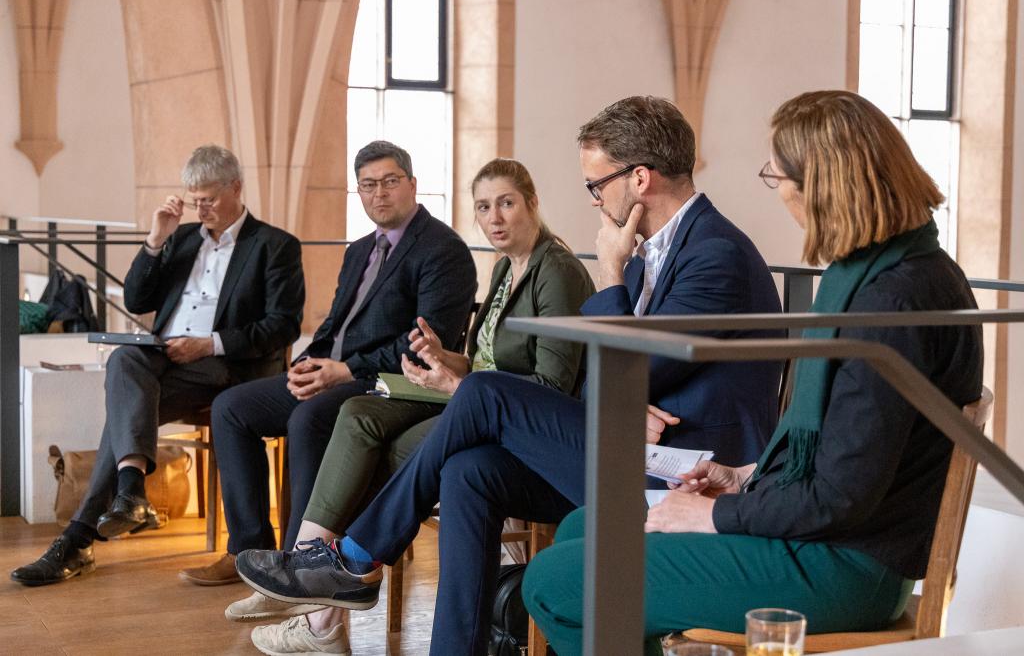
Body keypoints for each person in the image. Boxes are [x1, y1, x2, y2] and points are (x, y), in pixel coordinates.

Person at [233, 96, 784, 655]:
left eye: (596, 185)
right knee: (469, 472)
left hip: (691, 474)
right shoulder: (649, 254)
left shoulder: (712, 253)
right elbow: (605, 380)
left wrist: (612, 276)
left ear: (638, 179)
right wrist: (621, 393)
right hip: (632, 450)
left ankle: (356, 557)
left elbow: (626, 371)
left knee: (483, 391)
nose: (594, 199)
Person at [520, 90, 986, 655]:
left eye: (779, 177)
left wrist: (719, 514)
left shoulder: (896, 302)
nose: (782, 193)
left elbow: (840, 498)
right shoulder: (887, 275)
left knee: (553, 579)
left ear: (824, 185)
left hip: (845, 567)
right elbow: (843, 453)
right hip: (833, 541)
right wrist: (742, 476)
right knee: (578, 530)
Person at [234, 157, 596, 654]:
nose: (495, 217)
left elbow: (548, 386)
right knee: (358, 413)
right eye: (484, 207)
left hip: (522, 429)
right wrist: (448, 360)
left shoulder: (556, 271)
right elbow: (488, 363)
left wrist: (459, 385)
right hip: (478, 403)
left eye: (507, 203)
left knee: (386, 448)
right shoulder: (505, 270)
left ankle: (330, 581)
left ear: (532, 203)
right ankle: (313, 567)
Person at [178, 140, 477, 585]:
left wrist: (345, 371)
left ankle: (298, 562)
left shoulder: (442, 250)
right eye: (368, 185)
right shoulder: (359, 250)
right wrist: (307, 364)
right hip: (332, 373)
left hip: (389, 382)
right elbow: (333, 326)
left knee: (309, 418)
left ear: (413, 185)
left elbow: (422, 344)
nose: (380, 193)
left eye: (390, 182)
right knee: (231, 408)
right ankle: (250, 549)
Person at [10, 144, 305, 586]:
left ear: (236, 187)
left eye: (209, 198)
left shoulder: (274, 245)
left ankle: (83, 536)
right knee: (126, 359)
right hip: (166, 363)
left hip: (229, 369)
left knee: (125, 407)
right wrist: (154, 241)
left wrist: (209, 344)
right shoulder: (182, 238)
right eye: (194, 199)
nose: (200, 208)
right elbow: (136, 300)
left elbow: (283, 326)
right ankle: (127, 494)